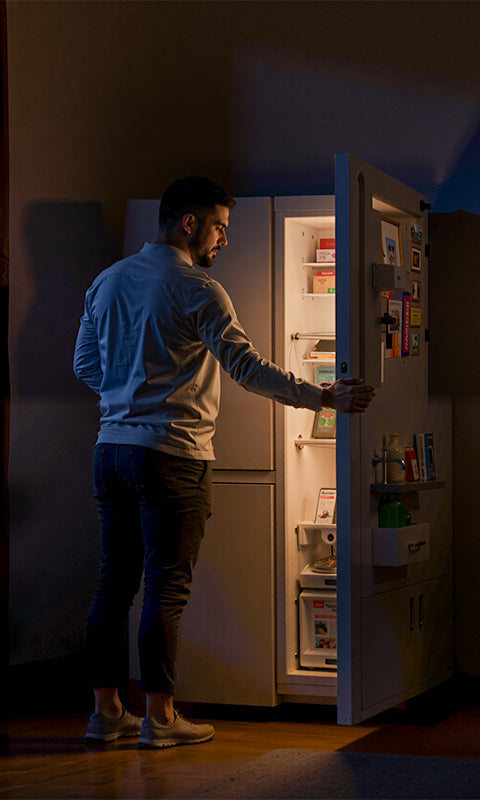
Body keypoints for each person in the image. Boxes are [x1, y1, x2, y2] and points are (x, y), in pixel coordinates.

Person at [73, 176, 375, 749]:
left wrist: (126, 399)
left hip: (110, 450)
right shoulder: (197, 288)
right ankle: (160, 719)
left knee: (114, 583)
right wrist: (323, 397)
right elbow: (248, 368)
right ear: (189, 223)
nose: (224, 239)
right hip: (172, 453)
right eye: (220, 226)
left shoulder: (106, 281)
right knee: (165, 588)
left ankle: (106, 712)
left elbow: (85, 364)